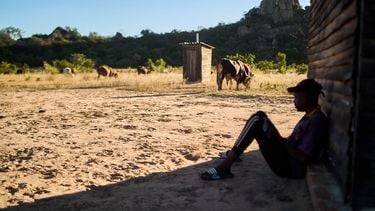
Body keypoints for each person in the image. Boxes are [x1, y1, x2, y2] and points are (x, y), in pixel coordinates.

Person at [201, 78, 329, 180]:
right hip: (287, 158)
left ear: (306, 98)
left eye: (296, 97)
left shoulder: (316, 122)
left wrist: (280, 143)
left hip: (289, 168)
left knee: (257, 121)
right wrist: (280, 141)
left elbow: (304, 157)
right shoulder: (310, 116)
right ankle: (232, 156)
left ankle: (224, 166)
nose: (294, 101)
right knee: (260, 116)